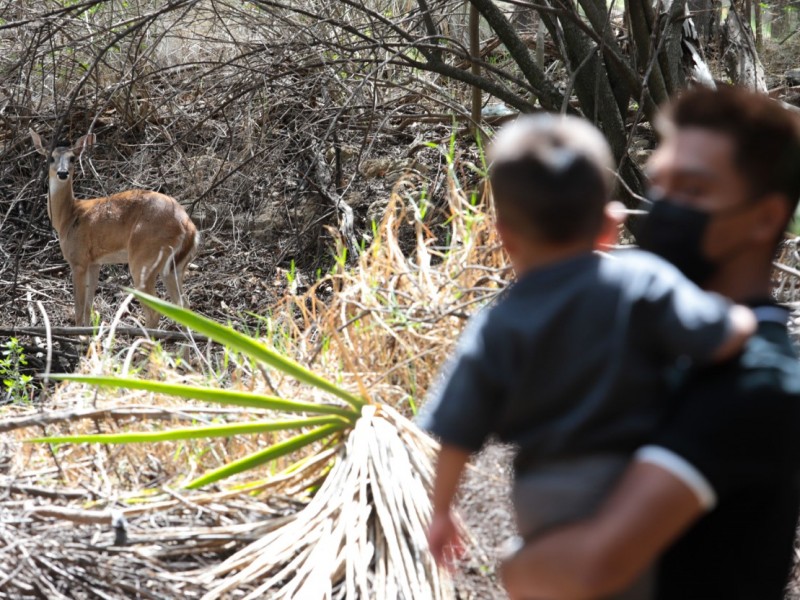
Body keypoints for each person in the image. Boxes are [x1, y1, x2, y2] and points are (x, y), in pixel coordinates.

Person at [419, 113, 756, 598]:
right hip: (640, 486)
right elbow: (720, 335)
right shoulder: (640, 279)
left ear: (504, 235)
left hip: (544, 495)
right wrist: (749, 316)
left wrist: (441, 511)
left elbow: (455, 433)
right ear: (609, 225)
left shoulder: (498, 325)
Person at [500, 85, 800, 600]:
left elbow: (588, 569)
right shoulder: (654, 340)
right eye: (659, 184)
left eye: (693, 189)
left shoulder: (758, 379)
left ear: (766, 217)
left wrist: (515, 565)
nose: (664, 206)